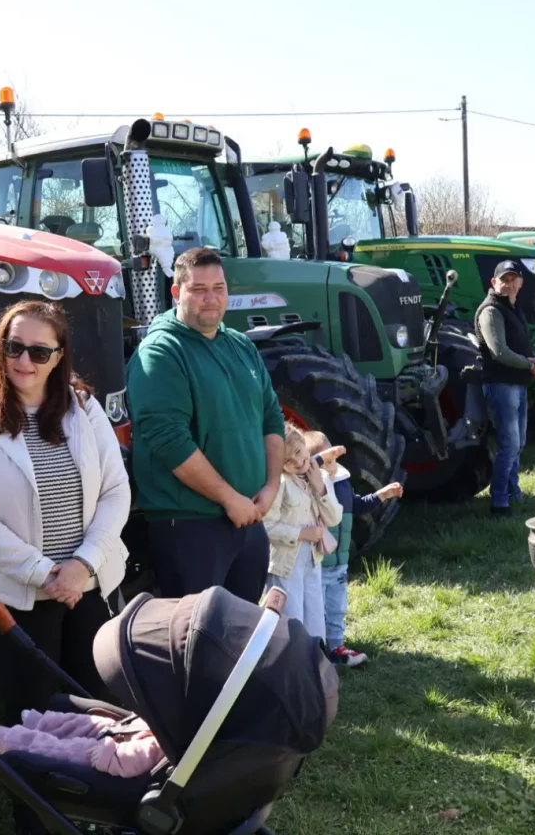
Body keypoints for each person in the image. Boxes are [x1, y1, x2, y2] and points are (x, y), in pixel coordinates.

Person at [0, 299, 128, 722]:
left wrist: (82, 565)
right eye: (14, 347)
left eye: (39, 352)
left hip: (89, 585)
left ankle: (98, 766)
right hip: (20, 596)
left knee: (99, 704)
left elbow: (116, 491)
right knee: (31, 713)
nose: (24, 361)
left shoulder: (85, 409)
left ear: (58, 357)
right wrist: (46, 573)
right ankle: (30, 769)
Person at [127, 247, 286, 601]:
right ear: (176, 292)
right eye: (198, 289)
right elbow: (170, 441)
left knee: (243, 628)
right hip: (189, 525)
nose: (211, 298)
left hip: (248, 517)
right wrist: (229, 498)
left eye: (219, 288)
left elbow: (272, 417)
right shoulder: (161, 352)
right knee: (197, 632)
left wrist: (271, 485)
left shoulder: (240, 345)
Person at [306, 430, 403, 667]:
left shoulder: (342, 483)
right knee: (317, 611)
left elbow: (357, 505)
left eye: (333, 459)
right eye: (325, 460)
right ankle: (316, 651)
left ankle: (337, 647)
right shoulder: (310, 489)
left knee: (337, 608)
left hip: (340, 564)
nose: (332, 465)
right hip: (318, 564)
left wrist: (381, 495)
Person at [473, 260, 535, 517]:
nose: (510, 284)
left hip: (516, 385)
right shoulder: (491, 310)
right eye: (504, 280)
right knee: (509, 445)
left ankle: (513, 493)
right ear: (494, 282)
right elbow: (499, 351)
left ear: (521, 283)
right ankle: (500, 503)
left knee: (518, 443)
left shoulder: (512, 308)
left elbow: (521, 344)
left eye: (514, 279)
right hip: (501, 386)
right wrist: (530, 364)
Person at [261, 423, 343, 638]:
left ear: (305, 445)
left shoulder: (319, 477)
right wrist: (301, 534)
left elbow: (334, 518)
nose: (298, 461)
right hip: (284, 566)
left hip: (312, 561)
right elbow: (266, 526)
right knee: (290, 621)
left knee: (315, 617)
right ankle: (289, 659)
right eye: (288, 460)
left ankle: (316, 657)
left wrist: (320, 487)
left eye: (298, 451)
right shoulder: (280, 483)